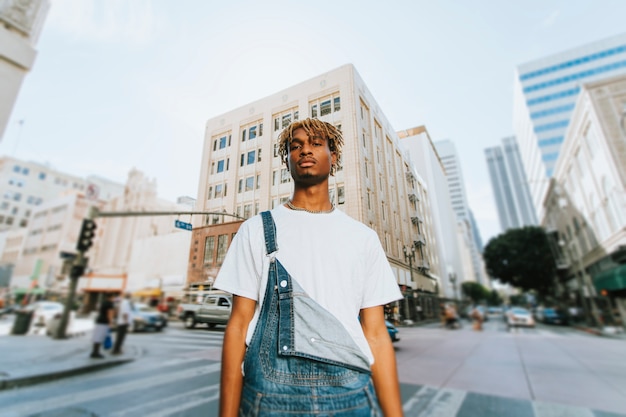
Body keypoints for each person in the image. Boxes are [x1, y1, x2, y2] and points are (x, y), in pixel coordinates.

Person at [214, 118, 404, 416]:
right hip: (270, 400)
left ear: (334, 156)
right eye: (296, 146)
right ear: (286, 160)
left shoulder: (363, 238)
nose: (305, 150)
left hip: (351, 398)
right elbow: (238, 325)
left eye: (316, 144)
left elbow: (377, 333)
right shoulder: (256, 230)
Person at [90, 292, 115, 359]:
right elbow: (110, 314)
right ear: (111, 297)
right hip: (104, 322)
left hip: (99, 321)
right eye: (113, 297)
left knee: (96, 337)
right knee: (100, 337)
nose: (114, 299)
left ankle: (94, 351)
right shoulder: (110, 304)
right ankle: (96, 353)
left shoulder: (103, 303)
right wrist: (110, 324)